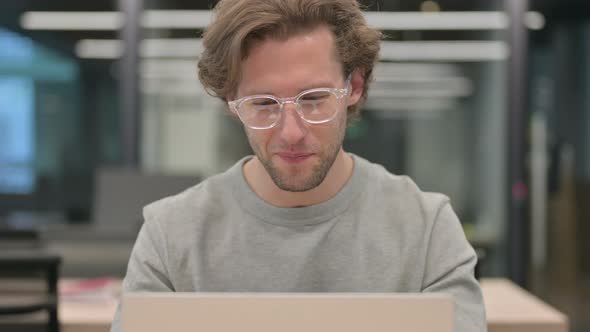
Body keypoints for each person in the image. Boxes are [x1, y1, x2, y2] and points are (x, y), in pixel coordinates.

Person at [110, 0, 486, 331]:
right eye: (263, 103)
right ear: (231, 100)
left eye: (314, 99)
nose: (291, 132)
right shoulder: (170, 236)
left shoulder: (426, 230)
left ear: (354, 85)